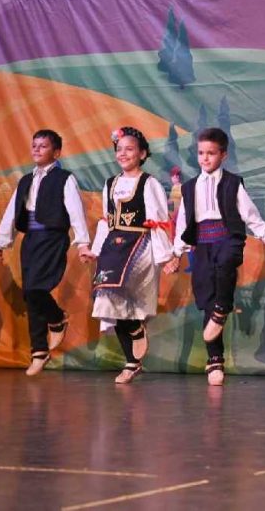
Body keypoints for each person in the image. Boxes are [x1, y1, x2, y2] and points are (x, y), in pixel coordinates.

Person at [164, 128, 265, 386]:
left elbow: (250, 215)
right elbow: (184, 224)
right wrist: (175, 254)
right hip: (202, 245)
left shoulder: (233, 183)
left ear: (223, 155)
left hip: (227, 237)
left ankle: (223, 309)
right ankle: (215, 359)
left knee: (226, 264)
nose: (205, 158)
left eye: (211, 153)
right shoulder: (189, 188)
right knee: (207, 300)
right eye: (201, 153)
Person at [0, 129, 92, 376]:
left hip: (53, 237)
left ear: (56, 152)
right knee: (30, 292)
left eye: (43, 146)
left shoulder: (64, 178)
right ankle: (39, 350)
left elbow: (76, 211)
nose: (37, 149)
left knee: (36, 288)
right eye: (34, 145)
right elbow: (12, 213)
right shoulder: (26, 180)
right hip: (31, 240)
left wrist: (83, 243)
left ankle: (56, 319)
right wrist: (0, 243)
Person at [84, 127, 172, 384]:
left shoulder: (149, 183)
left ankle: (134, 332)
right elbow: (106, 220)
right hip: (113, 246)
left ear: (142, 154)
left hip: (140, 245)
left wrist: (166, 256)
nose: (123, 154)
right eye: (119, 149)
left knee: (122, 291)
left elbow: (159, 221)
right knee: (107, 296)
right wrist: (96, 249)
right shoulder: (110, 184)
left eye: (129, 149)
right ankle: (132, 359)